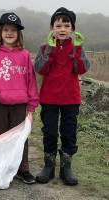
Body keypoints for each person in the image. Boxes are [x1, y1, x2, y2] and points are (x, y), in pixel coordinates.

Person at [0, 12, 39, 184]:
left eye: (13, 30)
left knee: (20, 138)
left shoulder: (25, 55)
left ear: (18, 34)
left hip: (20, 104)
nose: (9, 33)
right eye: (6, 29)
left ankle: (23, 169)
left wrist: (31, 107)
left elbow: (31, 82)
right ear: (0, 32)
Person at [34, 7, 90, 186]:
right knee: (49, 132)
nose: (62, 29)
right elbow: (40, 69)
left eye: (67, 25)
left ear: (72, 29)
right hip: (49, 98)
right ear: (52, 28)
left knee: (68, 133)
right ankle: (48, 167)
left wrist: (79, 49)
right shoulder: (44, 48)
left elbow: (82, 69)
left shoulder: (77, 47)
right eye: (58, 25)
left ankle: (66, 168)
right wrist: (50, 51)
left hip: (71, 98)